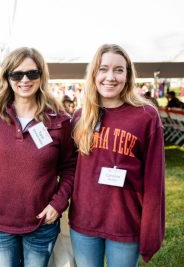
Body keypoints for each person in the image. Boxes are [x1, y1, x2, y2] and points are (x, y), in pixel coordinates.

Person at [0, 47, 77, 267]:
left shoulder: (60, 120)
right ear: (7, 77)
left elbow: (70, 167)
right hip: (0, 222)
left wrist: (58, 204)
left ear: (42, 76)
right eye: (17, 74)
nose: (24, 80)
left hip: (42, 222)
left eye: (32, 73)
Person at [69, 44, 165, 266]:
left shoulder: (146, 116)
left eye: (118, 70)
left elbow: (154, 180)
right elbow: (68, 169)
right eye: (103, 69)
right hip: (84, 222)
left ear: (128, 75)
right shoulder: (81, 117)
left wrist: (151, 230)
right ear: (94, 73)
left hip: (125, 222)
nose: (110, 77)